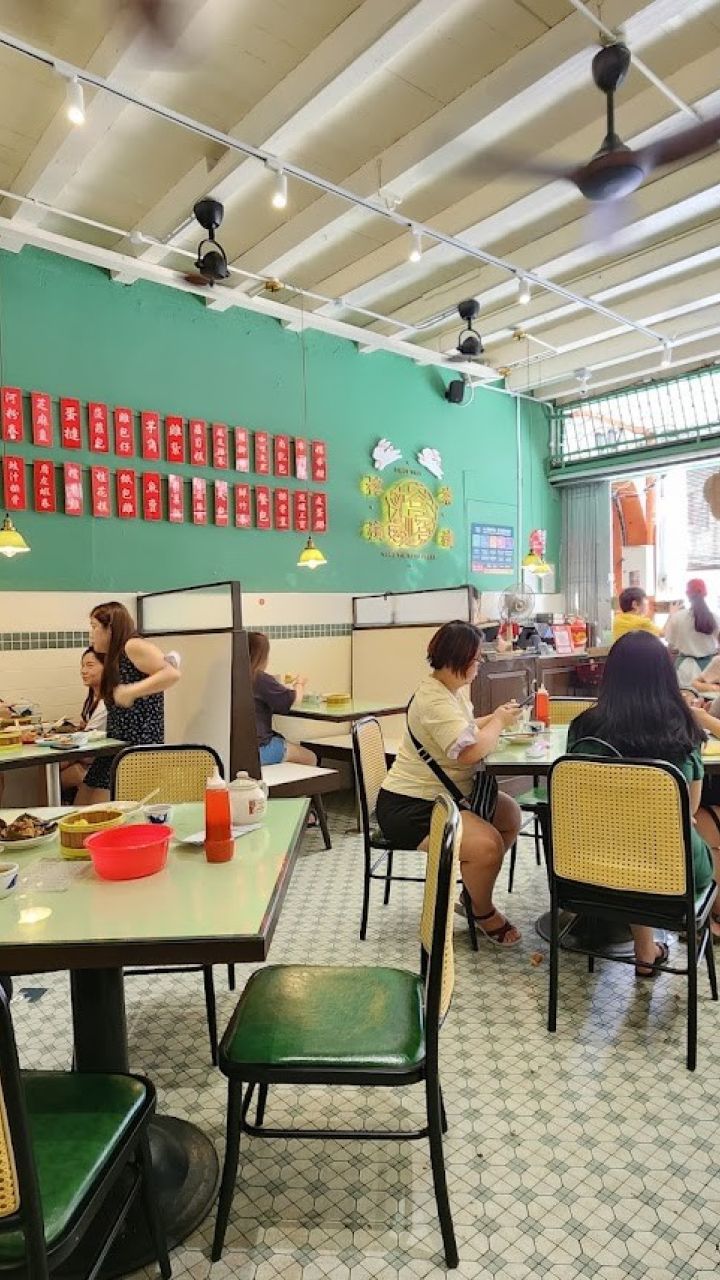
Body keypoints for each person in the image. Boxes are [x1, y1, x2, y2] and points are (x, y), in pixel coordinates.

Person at [567, 630, 713, 976]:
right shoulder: (682, 730)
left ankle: (645, 949)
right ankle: (665, 942)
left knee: (628, 838)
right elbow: (690, 808)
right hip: (672, 870)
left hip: (589, 865)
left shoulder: (583, 728)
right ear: (666, 676)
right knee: (660, 839)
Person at [376, 620, 523, 946]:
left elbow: (465, 729)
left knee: (509, 816)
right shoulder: (434, 700)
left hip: (444, 796)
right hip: (411, 806)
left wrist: (496, 716)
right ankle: (482, 911)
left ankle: (472, 894)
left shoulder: (448, 691)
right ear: (460, 659)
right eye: (477, 659)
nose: (479, 664)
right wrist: (499, 722)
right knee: (487, 846)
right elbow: (469, 752)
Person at [77, 601, 181, 804]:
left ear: (110, 628)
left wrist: (132, 691)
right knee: (82, 803)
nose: (91, 633)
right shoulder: (113, 657)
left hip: (138, 749)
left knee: (101, 810)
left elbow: (172, 673)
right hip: (116, 746)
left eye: (94, 626)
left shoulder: (132, 646)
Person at [248, 631, 316, 767]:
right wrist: (299, 684)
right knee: (310, 758)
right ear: (263, 657)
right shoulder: (260, 678)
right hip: (260, 750)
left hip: (235, 750)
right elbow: (294, 700)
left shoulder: (231, 677)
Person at [59, 648, 107, 799]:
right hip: (88, 758)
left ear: (107, 668)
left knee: (53, 775)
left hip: (96, 762)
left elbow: (87, 742)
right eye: (82, 666)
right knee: (51, 771)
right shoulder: (92, 699)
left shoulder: (105, 703)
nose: (83, 671)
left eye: (90, 665)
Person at [664, 578, 719, 686]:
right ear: (705, 593)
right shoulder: (715, 618)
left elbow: (671, 645)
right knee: (706, 696)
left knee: (682, 695)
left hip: (682, 668)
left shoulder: (677, 617)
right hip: (707, 670)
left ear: (687, 594)